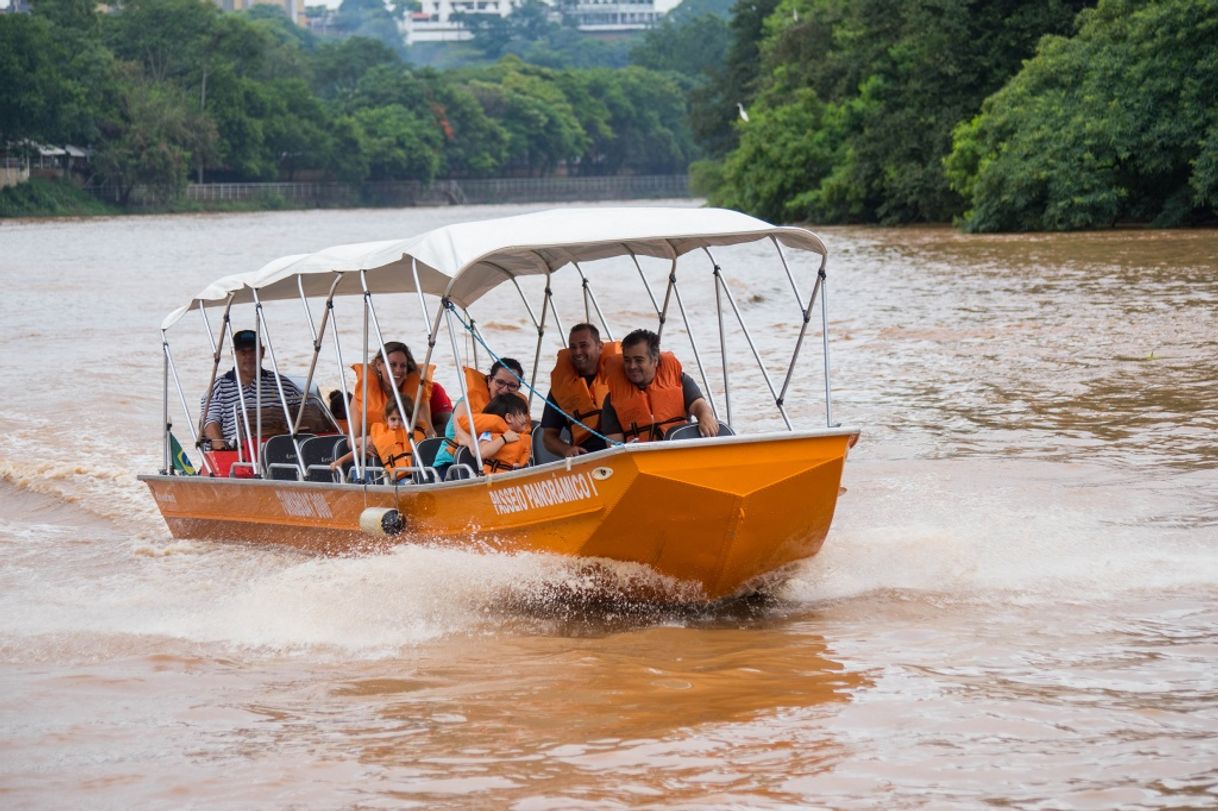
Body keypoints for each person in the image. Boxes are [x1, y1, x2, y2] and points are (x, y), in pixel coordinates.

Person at [599, 328, 719, 443]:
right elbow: (614, 444)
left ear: (655, 360)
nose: (632, 366)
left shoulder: (680, 380)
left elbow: (699, 405)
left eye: (639, 360)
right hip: (641, 459)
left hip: (680, 450)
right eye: (627, 360)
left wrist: (705, 416)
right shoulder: (612, 400)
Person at [200, 329, 303, 451]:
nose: (248, 357)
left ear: (262, 352)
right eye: (243, 352)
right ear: (234, 353)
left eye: (253, 351)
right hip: (237, 454)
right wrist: (222, 449)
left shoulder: (283, 385)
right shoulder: (218, 387)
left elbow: (308, 415)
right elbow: (210, 423)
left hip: (279, 451)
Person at [432, 358, 526, 478]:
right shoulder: (465, 403)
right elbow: (461, 436)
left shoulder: (516, 413)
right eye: (500, 382)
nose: (505, 389)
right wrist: (474, 447)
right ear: (490, 381)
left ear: (518, 388)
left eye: (512, 385)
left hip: (494, 466)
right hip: (452, 465)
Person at [540, 323, 620, 458]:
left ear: (600, 347)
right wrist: (566, 449)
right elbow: (548, 437)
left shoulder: (621, 377)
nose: (577, 352)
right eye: (573, 347)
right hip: (585, 456)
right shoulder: (561, 387)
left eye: (583, 345)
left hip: (620, 452)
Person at [349, 341, 436, 439]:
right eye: (392, 365)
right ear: (378, 364)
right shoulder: (361, 397)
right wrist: (366, 441)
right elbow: (351, 441)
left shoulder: (418, 393)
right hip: (375, 449)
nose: (398, 370)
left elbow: (430, 432)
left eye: (403, 366)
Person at [330, 398, 426, 481]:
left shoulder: (417, 435)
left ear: (409, 420)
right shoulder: (381, 437)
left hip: (417, 476)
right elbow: (360, 451)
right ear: (386, 419)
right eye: (393, 419)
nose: (397, 424)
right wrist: (340, 461)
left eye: (401, 420)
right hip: (393, 481)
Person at [454, 393, 532, 474]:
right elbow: (482, 452)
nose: (527, 418)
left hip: (514, 476)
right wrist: (503, 439)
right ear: (509, 418)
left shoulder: (523, 437)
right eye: (523, 414)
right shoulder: (488, 433)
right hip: (491, 479)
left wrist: (520, 464)